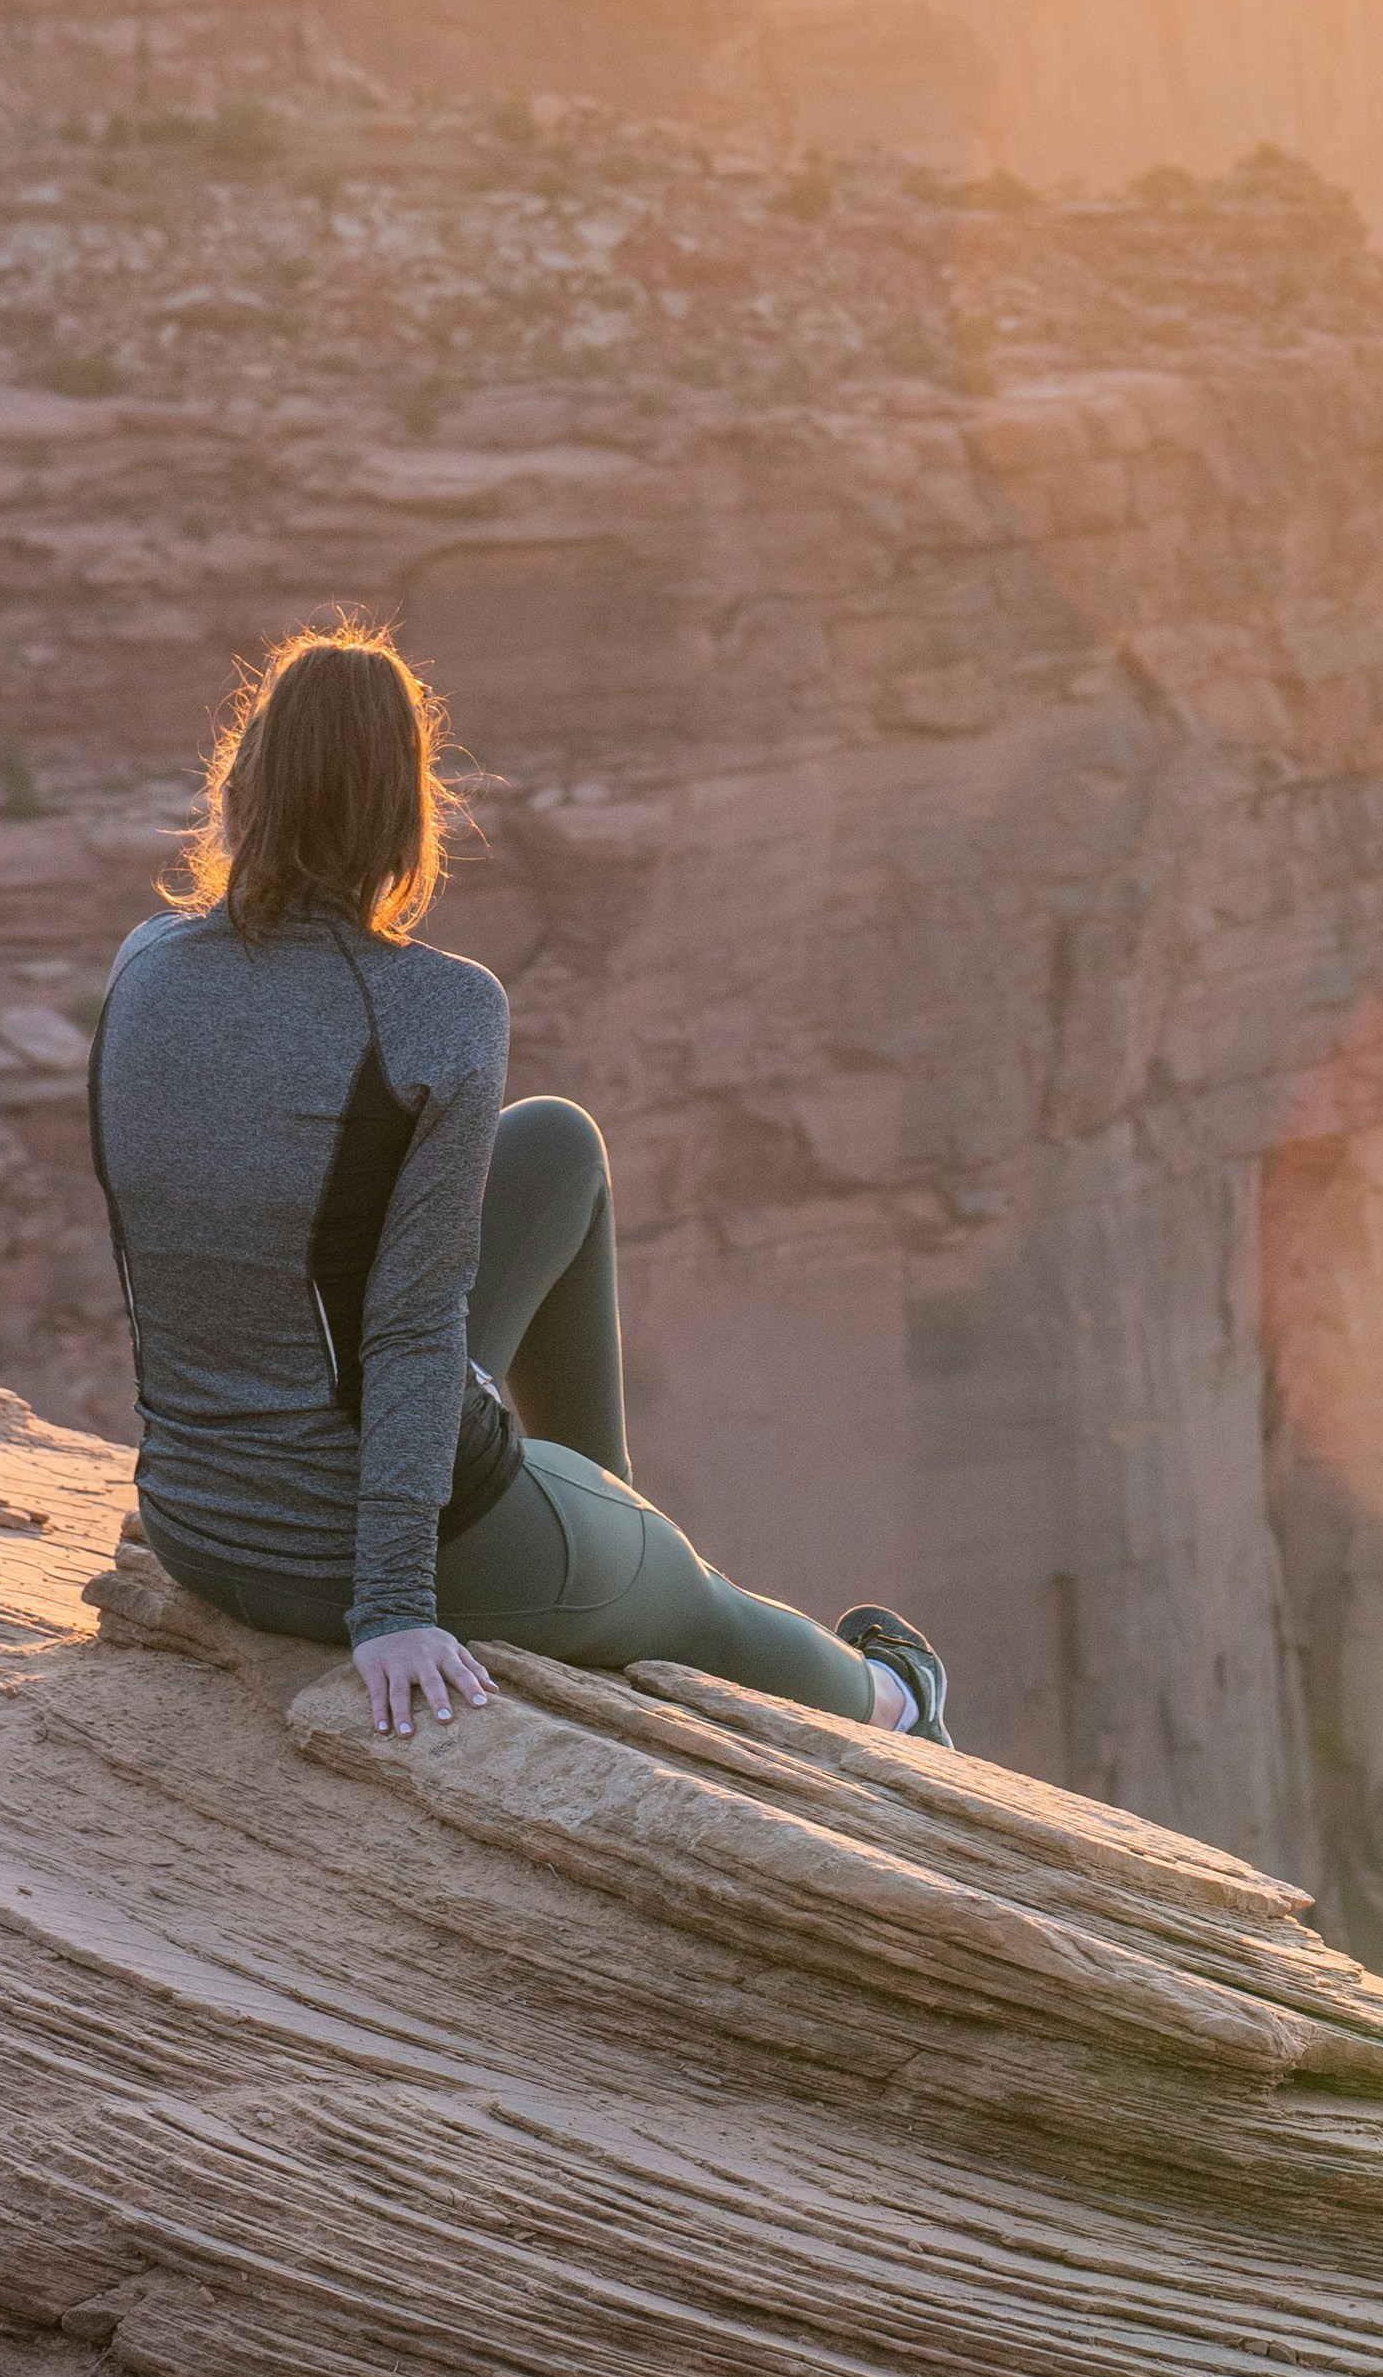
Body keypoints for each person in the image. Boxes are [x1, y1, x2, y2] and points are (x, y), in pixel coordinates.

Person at [93, 621, 953, 1750]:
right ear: (402, 809)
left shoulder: (145, 962)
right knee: (698, 1601)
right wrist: (391, 1609)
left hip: (196, 1525)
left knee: (552, 1143)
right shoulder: (440, 1006)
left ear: (242, 787)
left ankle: (590, 1510)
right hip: (365, 1558)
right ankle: (896, 1700)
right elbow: (405, 1328)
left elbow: (173, 1247)